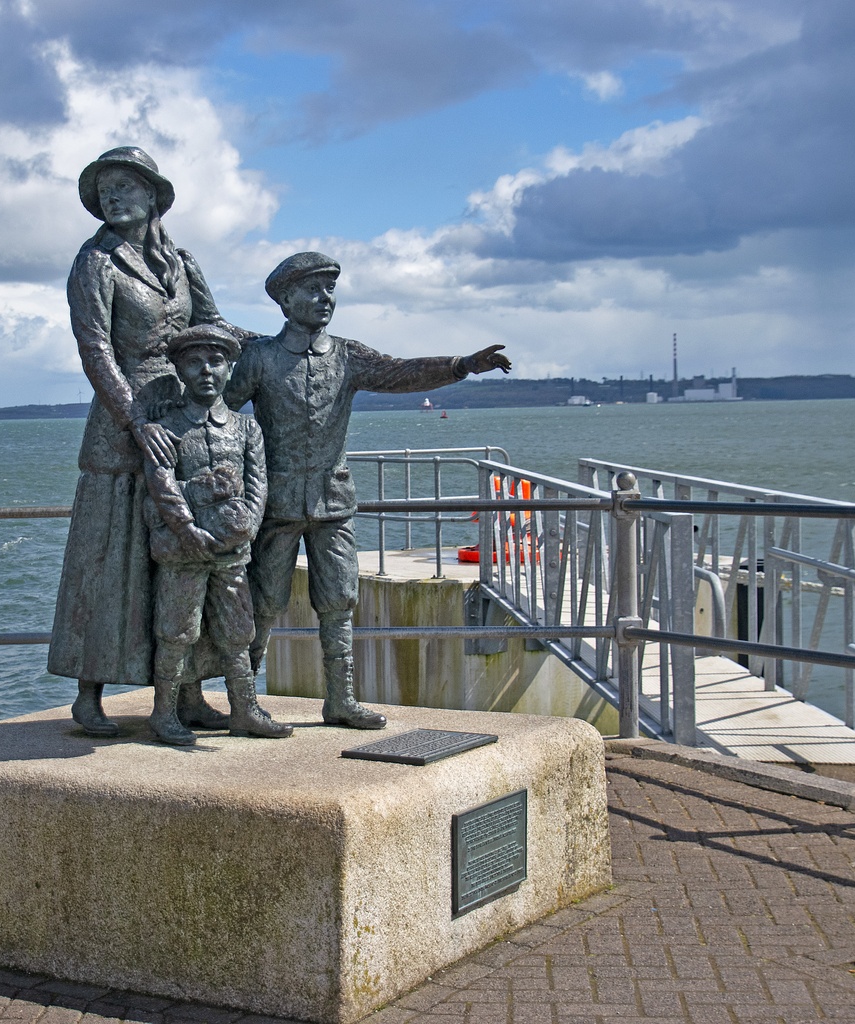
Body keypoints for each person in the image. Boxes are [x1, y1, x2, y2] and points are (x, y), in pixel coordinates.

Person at [226, 252, 512, 729]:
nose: (325, 298)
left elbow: (399, 373)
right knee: (265, 601)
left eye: (330, 289)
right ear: (285, 299)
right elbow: (222, 414)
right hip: (275, 505)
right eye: (313, 289)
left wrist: (461, 365)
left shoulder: (346, 355)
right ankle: (245, 704)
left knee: (340, 601)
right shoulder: (259, 358)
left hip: (333, 503)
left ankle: (340, 700)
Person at [49, 146, 246, 737]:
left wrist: (282, 342)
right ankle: (89, 694)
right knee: (109, 559)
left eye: (125, 186)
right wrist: (136, 421)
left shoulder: (181, 262)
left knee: (186, 557)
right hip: (124, 427)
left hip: (184, 418)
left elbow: (214, 327)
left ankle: (188, 690)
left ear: (154, 195)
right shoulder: (94, 262)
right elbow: (95, 348)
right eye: (104, 190)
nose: (113, 197)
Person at [141, 324, 290, 745]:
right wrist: (187, 528)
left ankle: (245, 709)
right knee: (177, 630)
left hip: (231, 552)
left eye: (216, 361)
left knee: (237, 630)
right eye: (194, 362)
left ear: (229, 369)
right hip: (181, 551)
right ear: (179, 370)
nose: (206, 370)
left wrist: (248, 528)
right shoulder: (165, 425)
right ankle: (164, 712)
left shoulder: (246, 428)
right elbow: (160, 483)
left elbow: (258, 484)